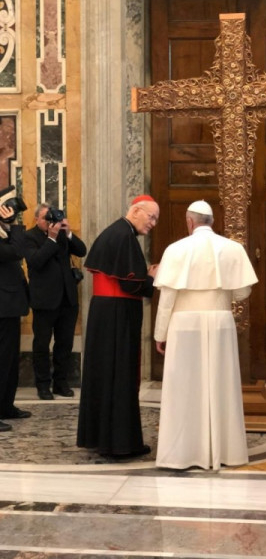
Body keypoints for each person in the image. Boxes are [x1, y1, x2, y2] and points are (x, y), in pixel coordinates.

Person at [154, 200, 258, 470]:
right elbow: (243, 292)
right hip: (221, 321)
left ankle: (181, 454)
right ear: (212, 221)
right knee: (221, 384)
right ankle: (225, 452)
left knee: (184, 388)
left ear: (190, 222)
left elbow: (167, 298)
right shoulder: (233, 248)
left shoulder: (175, 249)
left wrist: (160, 333)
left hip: (183, 325)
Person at [77, 195, 159, 458]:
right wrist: (151, 278)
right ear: (136, 211)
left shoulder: (117, 232)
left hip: (106, 313)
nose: (153, 223)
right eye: (151, 217)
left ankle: (100, 438)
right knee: (120, 375)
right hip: (117, 315)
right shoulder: (124, 236)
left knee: (105, 374)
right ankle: (120, 444)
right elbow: (130, 284)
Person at [25, 203, 87, 400]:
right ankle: (43, 385)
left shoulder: (62, 235)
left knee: (65, 344)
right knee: (41, 345)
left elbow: (82, 251)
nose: (50, 222)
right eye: (46, 218)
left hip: (67, 299)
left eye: (53, 217)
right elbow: (36, 262)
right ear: (36, 219)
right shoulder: (29, 237)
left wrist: (67, 233)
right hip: (44, 301)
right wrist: (51, 239)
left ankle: (61, 383)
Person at [0, 204, 31, 432]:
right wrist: (13, 226)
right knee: (1, 361)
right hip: (2, 307)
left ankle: (6, 406)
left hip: (9, 306)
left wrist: (8, 227)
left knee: (9, 361)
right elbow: (17, 251)